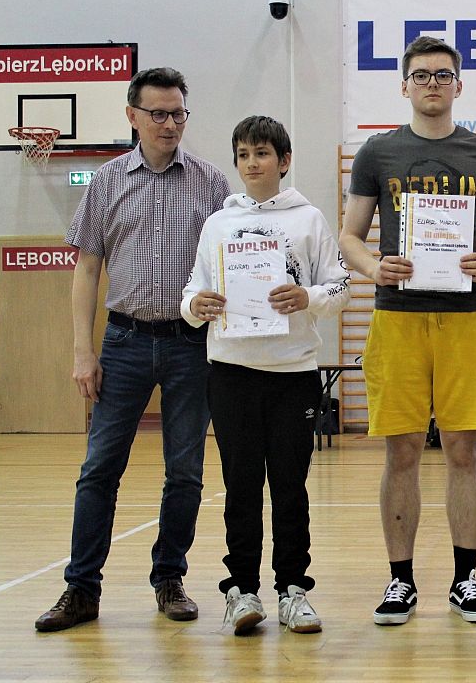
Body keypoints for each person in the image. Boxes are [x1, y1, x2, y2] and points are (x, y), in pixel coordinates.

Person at [36, 67, 231, 632]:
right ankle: (81, 589)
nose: (170, 124)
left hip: (191, 345)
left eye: (178, 114)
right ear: (133, 116)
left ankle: (169, 579)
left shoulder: (212, 183)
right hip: (123, 342)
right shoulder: (106, 181)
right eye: (158, 114)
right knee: (99, 468)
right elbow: (86, 268)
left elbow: (233, 261)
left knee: (185, 472)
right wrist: (83, 351)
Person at [338, 36, 476, 625]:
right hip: (398, 316)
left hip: (466, 319)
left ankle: (466, 580)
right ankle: (401, 581)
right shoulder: (378, 152)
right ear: (405, 85)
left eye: (443, 74)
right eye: (422, 75)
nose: (433, 83)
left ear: (458, 84)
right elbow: (350, 236)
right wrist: (373, 267)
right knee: (403, 450)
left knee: (465, 449)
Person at [180, 116, 351, 634]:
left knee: (290, 487)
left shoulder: (309, 219)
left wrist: (307, 296)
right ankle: (241, 591)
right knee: (240, 487)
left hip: (293, 374)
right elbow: (193, 291)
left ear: (284, 160)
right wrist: (195, 306)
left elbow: (339, 288)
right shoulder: (218, 223)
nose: (252, 163)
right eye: (243, 155)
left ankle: (293, 590)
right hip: (231, 373)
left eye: (261, 153)